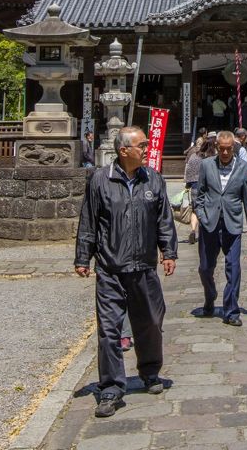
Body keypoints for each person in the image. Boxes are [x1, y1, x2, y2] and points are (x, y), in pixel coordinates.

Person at [74, 126, 178, 418]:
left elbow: (164, 220)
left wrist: (168, 252)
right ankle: (111, 387)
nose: (146, 149)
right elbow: (89, 220)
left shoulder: (154, 180)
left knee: (150, 323)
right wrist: (84, 256)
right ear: (124, 151)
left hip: (144, 266)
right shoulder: (100, 181)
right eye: (141, 145)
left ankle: (149, 371)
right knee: (109, 331)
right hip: (110, 267)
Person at [195, 130, 247, 326]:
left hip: (233, 222)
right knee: (205, 268)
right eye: (221, 149)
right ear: (216, 147)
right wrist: (202, 214)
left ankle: (231, 310)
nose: (225, 153)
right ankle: (210, 294)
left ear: (234, 148)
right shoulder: (206, 165)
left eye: (229, 149)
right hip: (210, 222)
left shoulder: (244, 168)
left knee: (234, 268)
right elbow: (200, 192)